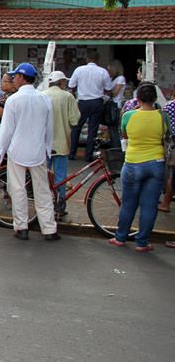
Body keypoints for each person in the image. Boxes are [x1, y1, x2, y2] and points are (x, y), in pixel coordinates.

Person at [0, 63, 59, 241]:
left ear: (22, 78)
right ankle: (49, 229)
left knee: (17, 190)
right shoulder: (44, 99)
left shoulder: (13, 100)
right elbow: (49, 128)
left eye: (15, 76)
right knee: (42, 191)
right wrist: (47, 148)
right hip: (38, 151)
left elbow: (6, 130)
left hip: (17, 151)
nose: (13, 79)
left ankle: (22, 227)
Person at [108, 82, 167, 252]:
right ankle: (142, 242)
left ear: (138, 99)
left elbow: (124, 134)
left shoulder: (128, 116)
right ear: (155, 98)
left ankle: (120, 237)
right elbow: (166, 136)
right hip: (156, 163)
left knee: (128, 203)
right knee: (149, 206)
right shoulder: (162, 116)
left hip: (133, 162)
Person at [44, 71, 80, 217]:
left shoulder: (42, 95)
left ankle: (44, 203)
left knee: (43, 175)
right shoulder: (67, 96)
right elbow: (75, 120)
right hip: (62, 143)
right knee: (60, 177)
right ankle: (60, 205)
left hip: (44, 144)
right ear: (62, 82)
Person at [68, 50, 112, 162]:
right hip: (97, 102)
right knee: (93, 129)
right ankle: (88, 155)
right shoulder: (103, 72)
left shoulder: (79, 70)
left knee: (76, 127)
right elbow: (108, 89)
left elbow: (71, 85)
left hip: (82, 102)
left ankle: (72, 153)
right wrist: (104, 99)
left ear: (87, 59)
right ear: (98, 60)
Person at [106, 60, 126, 148]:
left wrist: (106, 91)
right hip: (110, 104)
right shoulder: (112, 78)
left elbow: (115, 93)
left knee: (114, 128)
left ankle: (116, 147)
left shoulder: (121, 78)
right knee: (110, 128)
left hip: (116, 105)